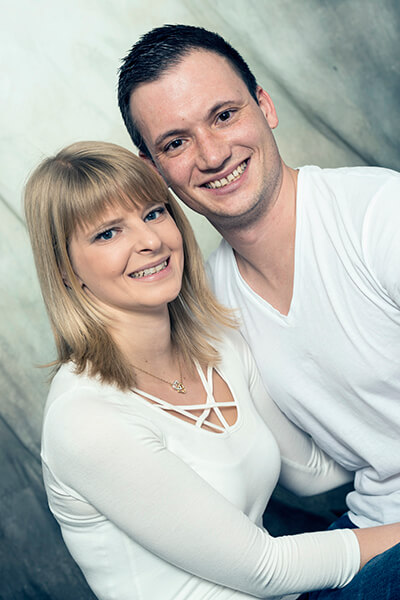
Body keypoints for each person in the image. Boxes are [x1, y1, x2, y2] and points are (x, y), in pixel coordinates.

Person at [24, 141, 400, 600]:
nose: (149, 241)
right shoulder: (85, 420)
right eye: (107, 234)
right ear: (66, 269)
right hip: (281, 580)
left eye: (153, 213)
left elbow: (312, 473)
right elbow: (267, 568)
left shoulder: (218, 343)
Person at [117, 24, 400, 599]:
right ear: (153, 170)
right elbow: (304, 470)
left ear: (264, 106)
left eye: (224, 116)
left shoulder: (378, 216)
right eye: (176, 143)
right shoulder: (209, 309)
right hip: (370, 527)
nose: (212, 154)